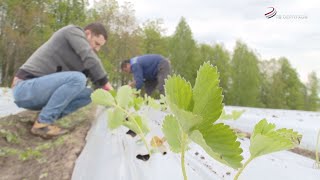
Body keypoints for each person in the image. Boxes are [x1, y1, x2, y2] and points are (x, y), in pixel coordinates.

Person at [11, 23, 113, 138]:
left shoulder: (82, 60)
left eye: (100, 46)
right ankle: (43, 123)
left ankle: (41, 118)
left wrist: (110, 97)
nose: (97, 49)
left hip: (39, 93)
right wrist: (106, 82)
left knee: (91, 94)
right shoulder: (72, 31)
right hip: (25, 87)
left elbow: (96, 78)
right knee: (78, 79)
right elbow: (90, 58)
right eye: (96, 43)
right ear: (87, 33)